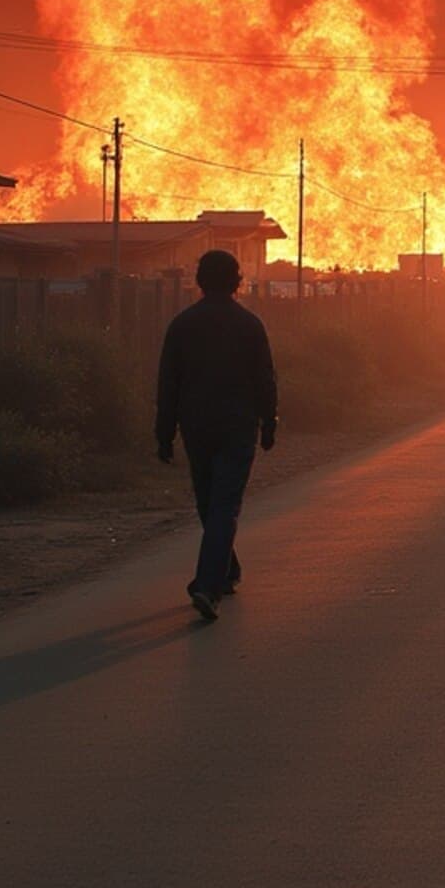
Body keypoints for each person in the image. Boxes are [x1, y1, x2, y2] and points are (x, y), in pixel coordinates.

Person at [156, 248, 280, 622]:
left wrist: (164, 434)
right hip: (236, 428)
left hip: (198, 428)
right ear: (237, 281)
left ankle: (216, 577)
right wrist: (268, 422)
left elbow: (168, 385)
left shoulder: (182, 325)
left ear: (199, 281)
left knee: (211, 502)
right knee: (221, 505)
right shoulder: (249, 324)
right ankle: (215, 581)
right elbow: (265, 380)